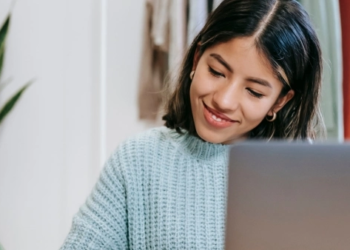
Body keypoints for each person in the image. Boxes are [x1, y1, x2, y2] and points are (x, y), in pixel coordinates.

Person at [61, 0, 324, 249]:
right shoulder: (137, 161)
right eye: (216, 72)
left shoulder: (308, 183)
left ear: (279, 101)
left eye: (254, 91)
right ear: (197, 58)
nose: (224, 100)